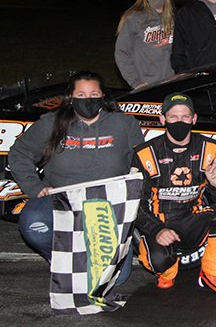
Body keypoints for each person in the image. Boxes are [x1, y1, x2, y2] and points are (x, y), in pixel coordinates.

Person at [8, 71, 144, 281]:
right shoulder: (51, 123)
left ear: (103, 96)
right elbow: (19, 153)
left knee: (119, 277)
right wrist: (34, 187)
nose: (87, 100)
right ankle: (63, 260)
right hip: (62, 198)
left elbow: (143, 159)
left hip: (107, 203)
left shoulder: (124, 124)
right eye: (81, 95)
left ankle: (89, 258)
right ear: (70, 97)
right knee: (35, 224)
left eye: (93, 94)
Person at [133, 93, 216, 297]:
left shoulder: (210, 148)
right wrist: (156, 230)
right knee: (157, 262)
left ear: (194, 119)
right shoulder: (144, 153)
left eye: (185, 117)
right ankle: (167, 273)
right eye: (173, 117)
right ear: (162, 119)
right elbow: (135, 204)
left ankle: (211, 274)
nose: (179, 121)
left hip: (195, 219)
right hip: (162, 223)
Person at [115, 0, 176, 89]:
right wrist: (136, 82)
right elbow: (122, 53)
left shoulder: (174, 19)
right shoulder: (134, 19)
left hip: (171, 81)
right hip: (146, 84)